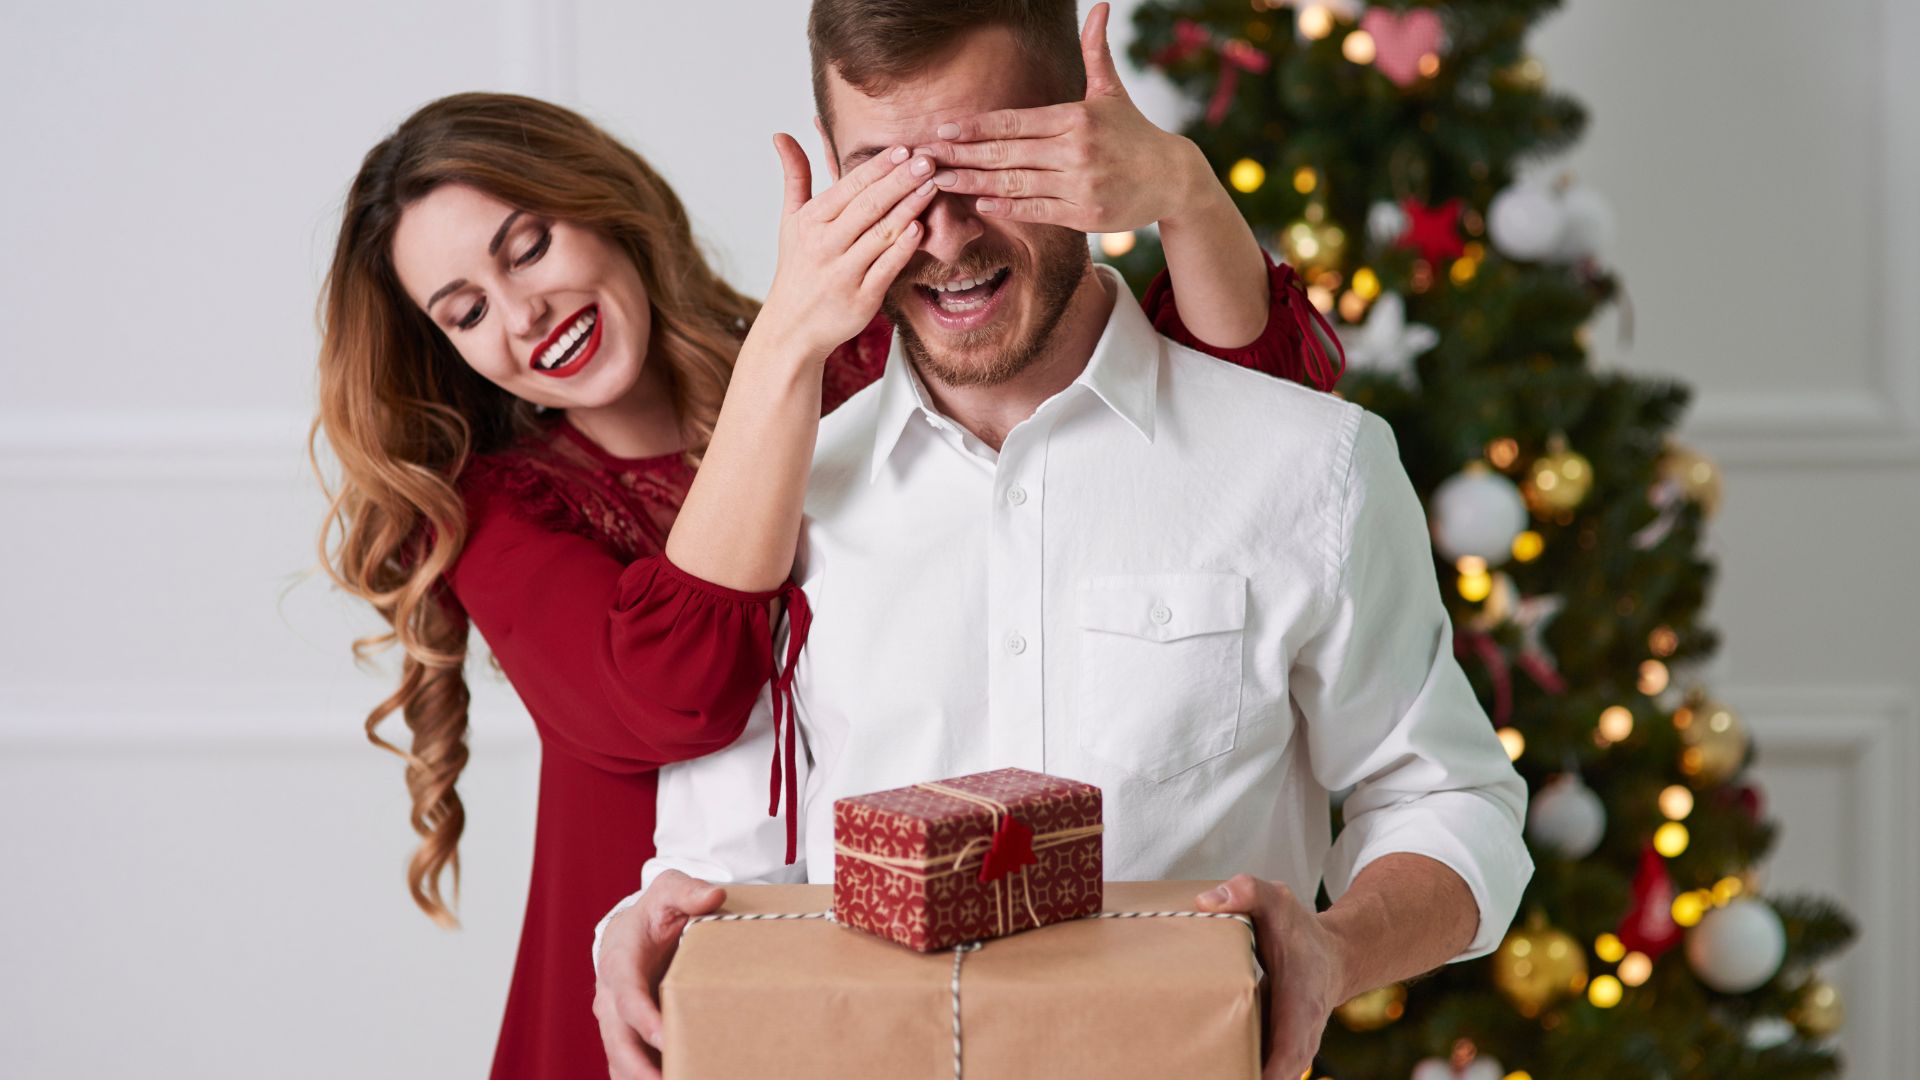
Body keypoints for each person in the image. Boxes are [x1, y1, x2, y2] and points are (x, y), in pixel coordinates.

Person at [310, 11, 1335, 1074]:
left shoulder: (856, 382)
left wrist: (1186, 194)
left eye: (530, 247)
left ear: (605, 208)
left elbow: (1236, 442)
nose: (525, 314)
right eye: (467, 311)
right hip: (649, 1021)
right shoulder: (494, 515)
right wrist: (787, 343)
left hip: (883, 1009)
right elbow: (678, 691)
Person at [589, 3, 1533, 1079]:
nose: (941, 236)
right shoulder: (777, 502)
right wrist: (635, 932)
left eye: (981, 162)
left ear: (1083, 148)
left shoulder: (1310, 464)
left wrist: (1334, 947)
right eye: (886, 181)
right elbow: (712, 867)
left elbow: (1449, 799)